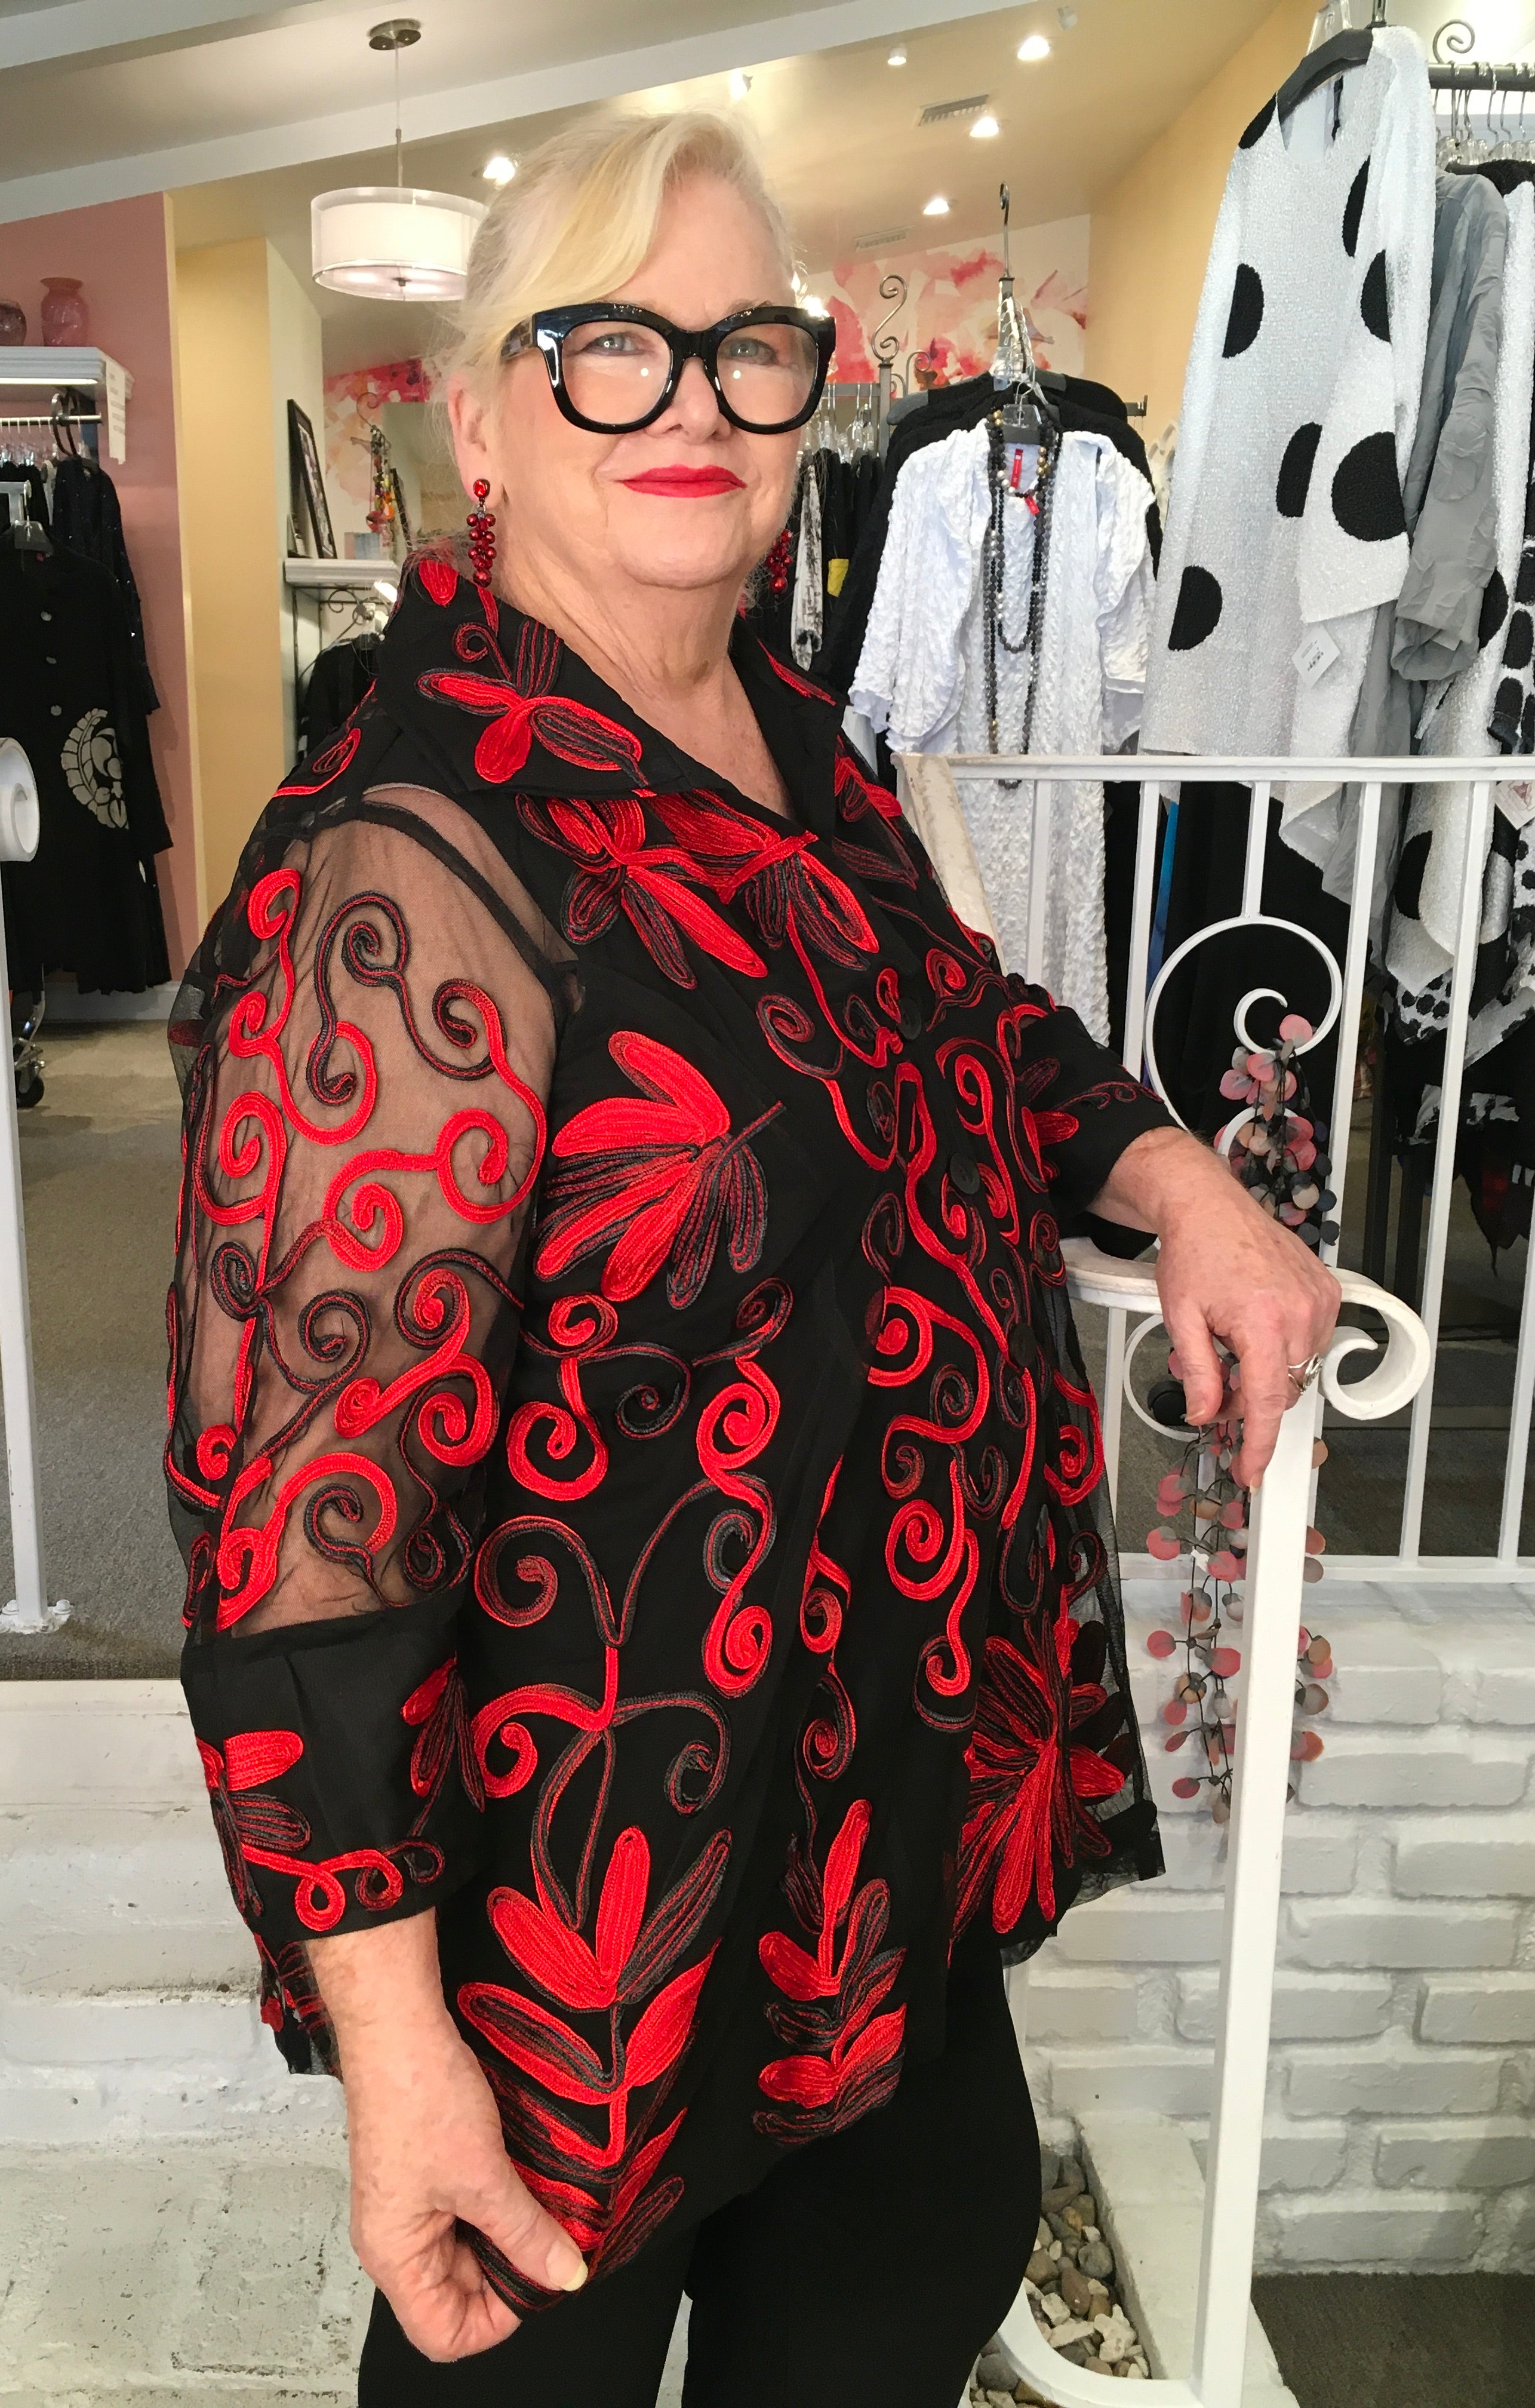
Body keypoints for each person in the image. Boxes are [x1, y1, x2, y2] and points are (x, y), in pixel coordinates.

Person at [164, 107, 1339, 2408]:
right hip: (599, 1928)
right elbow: (301, 1532)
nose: (688, 402)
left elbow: (963, 1033)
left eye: (746, 347)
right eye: (609, 344)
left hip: (884, 1825)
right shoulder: (418, 852)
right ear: (483, 424)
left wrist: (1179, 1181)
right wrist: (396, 2050)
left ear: (807, 396)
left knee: (909, 2285)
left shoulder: (791, 743)